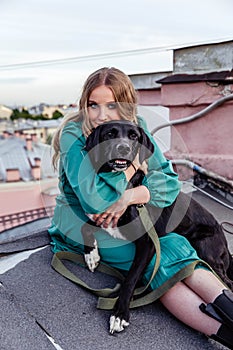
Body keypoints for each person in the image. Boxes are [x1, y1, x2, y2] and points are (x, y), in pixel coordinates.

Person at [48, 67, 233, 348]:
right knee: (161, 262)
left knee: (173, 245)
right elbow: (94, 201)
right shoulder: (74, 134)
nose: (101, 115)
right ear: (83, 104)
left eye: (111, 105)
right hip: (81, 223)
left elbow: (170, 182)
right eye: (93, 105)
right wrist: (131, 168)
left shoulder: (136, 127)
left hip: (126, 215)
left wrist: (131, 196)